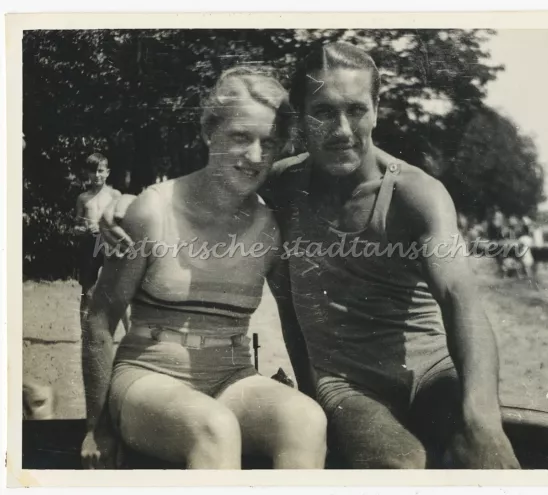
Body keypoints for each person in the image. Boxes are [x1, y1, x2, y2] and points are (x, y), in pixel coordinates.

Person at [101, 43, 519, 469]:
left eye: (356, 109)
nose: (341, 130)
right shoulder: (282, 185)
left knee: (486, 458)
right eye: (323, 112)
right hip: (346, 385)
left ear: (377, 108)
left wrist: (483, 422)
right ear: (300, 118)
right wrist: (119, 202)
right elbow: (207, 189)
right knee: (401, 466)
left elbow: (459, 298)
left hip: (432, 372)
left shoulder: (416, 195)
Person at [82, 67, 327, 470]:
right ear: (208, 131)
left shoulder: (269, 228)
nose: (254, 156)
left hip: (231, 380)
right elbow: (99, 318)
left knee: (305, 421)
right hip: (146, 379)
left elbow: (296, 324)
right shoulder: (152, 209)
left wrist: (315, 398)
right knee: (213, 426)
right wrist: (96, 426)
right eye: (239, 137)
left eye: (269, 142)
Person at [73, 153, 125, 325]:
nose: (97, 175)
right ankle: (83, 335)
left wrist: (105, 228)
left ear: (107, 172)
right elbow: (76, 227)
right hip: (90, 245)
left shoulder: (115, 195)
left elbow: (122, 223)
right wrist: (83, 229)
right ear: (87, 173)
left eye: (101, 171)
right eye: (93, 171)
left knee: (118, 290)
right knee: (87, 291)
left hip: (110, 244)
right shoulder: (83, 198)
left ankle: (128, 332)